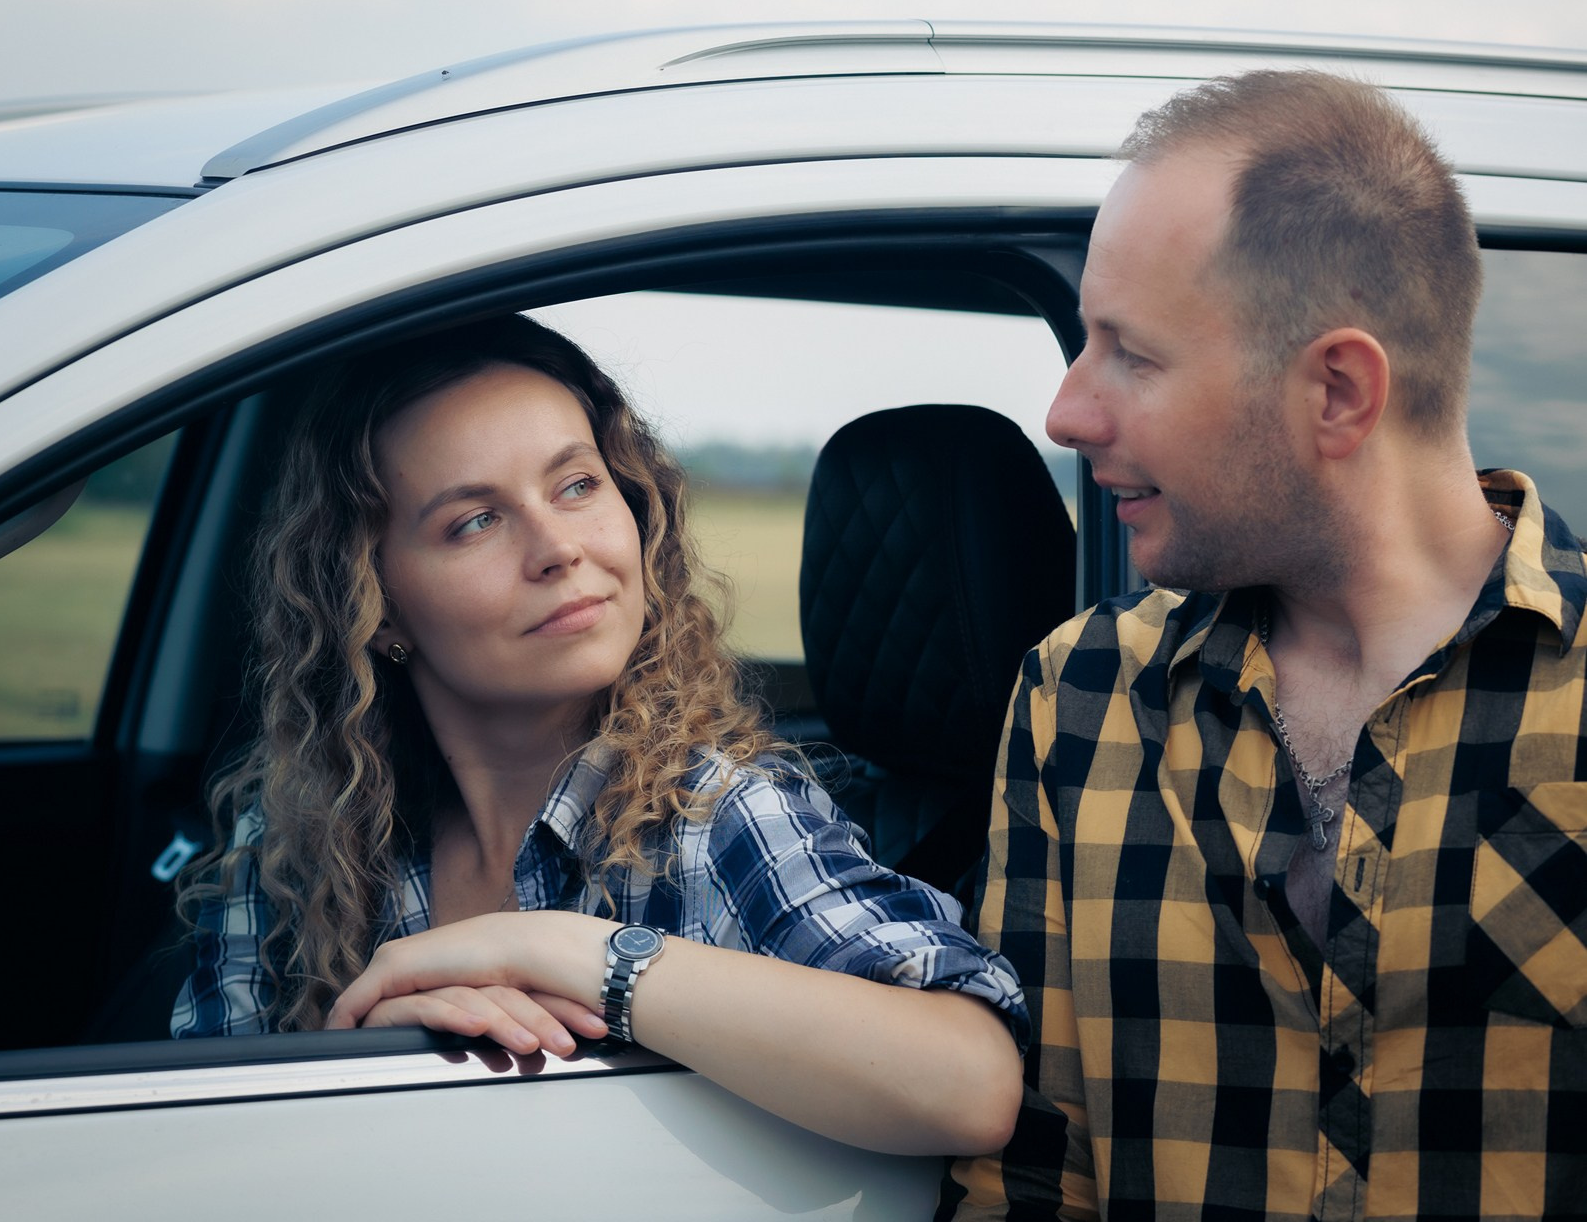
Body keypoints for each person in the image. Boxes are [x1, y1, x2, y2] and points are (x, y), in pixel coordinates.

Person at [941, 69, 1587, 1220]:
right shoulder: (1079, 695)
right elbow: (1031, 1179)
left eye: (1130, 355)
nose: (1068, 413)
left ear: (1338, 390)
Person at [173, 314, 1027, 1156]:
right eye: (475, 521)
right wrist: (355, 1055)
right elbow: (186, 1163)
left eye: (578, 484)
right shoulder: (292, 849)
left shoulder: (714, 816)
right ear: (378, 603)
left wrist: (562, 950)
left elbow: (972, 1084)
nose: (557, 548)